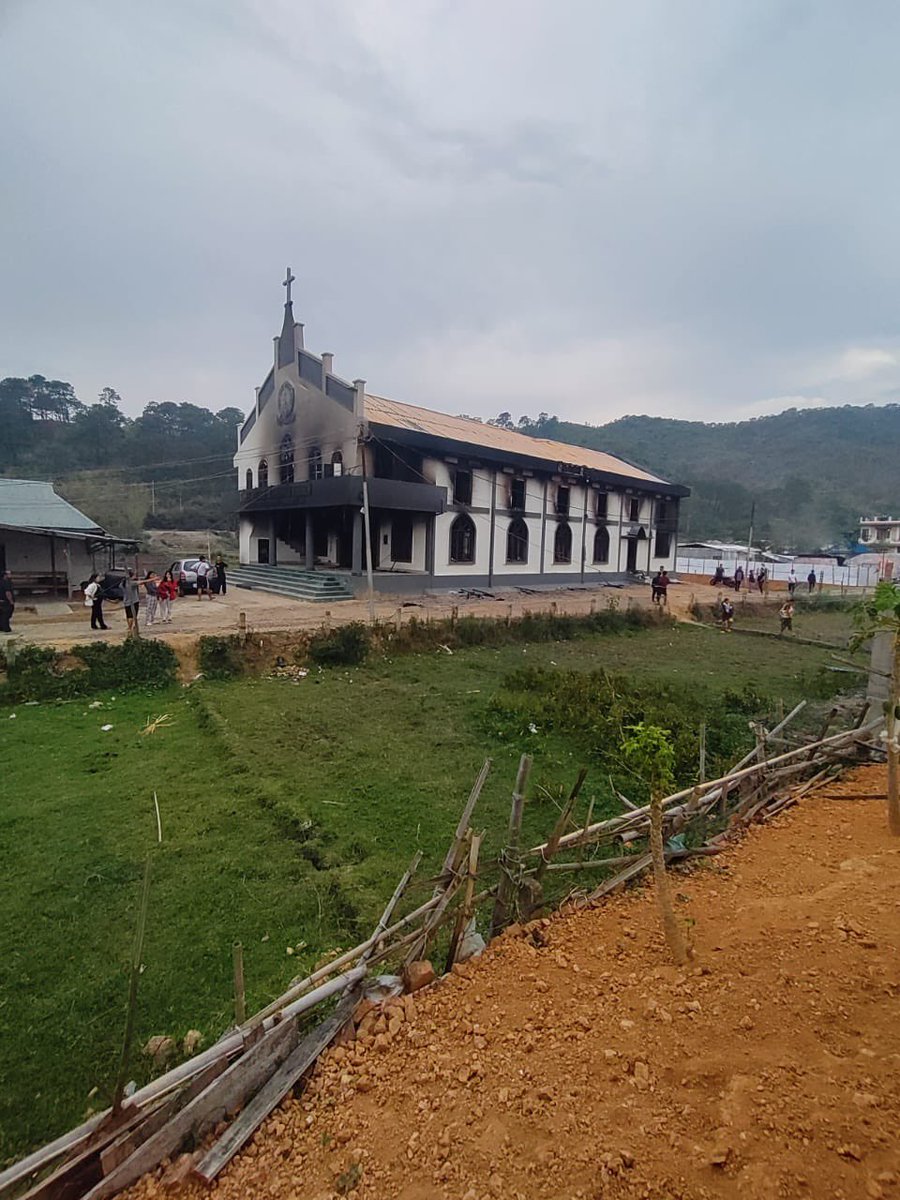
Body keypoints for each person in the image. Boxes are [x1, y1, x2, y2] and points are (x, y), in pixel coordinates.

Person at [122, 568, 142, 636]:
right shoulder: (131, 583)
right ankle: (130, 628)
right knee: (133, 616)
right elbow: (141, 582)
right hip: (133, 601)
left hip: (126, 601)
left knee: (128, 616)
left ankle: (129, 627)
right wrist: (153, 579)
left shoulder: (123, 583)